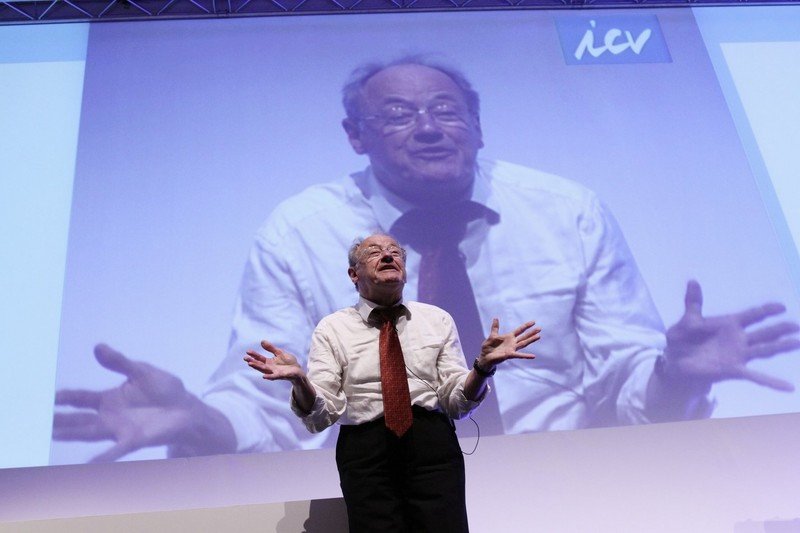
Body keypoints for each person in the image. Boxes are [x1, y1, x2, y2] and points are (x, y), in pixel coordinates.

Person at [53, 56, 800, 462]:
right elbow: (276, 402)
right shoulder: (301, 231)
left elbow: (622, 388)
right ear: (356, 136)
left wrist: (675, 375)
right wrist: (198, 420)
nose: (430, 128)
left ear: (478, 126)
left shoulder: (566, 210)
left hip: (568, 479)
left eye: (447, 111)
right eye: (398, 115)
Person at [243, 233, 540, 531]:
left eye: (394, 252)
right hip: (366, 452)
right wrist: (300, 382)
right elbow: (321, 416)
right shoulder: (332, 329)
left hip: (432, 447)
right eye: (374, 252)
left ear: (405, 270)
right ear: (353, 274)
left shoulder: (436, 320)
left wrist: (483, 368)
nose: (387, 256)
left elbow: (457, 403)